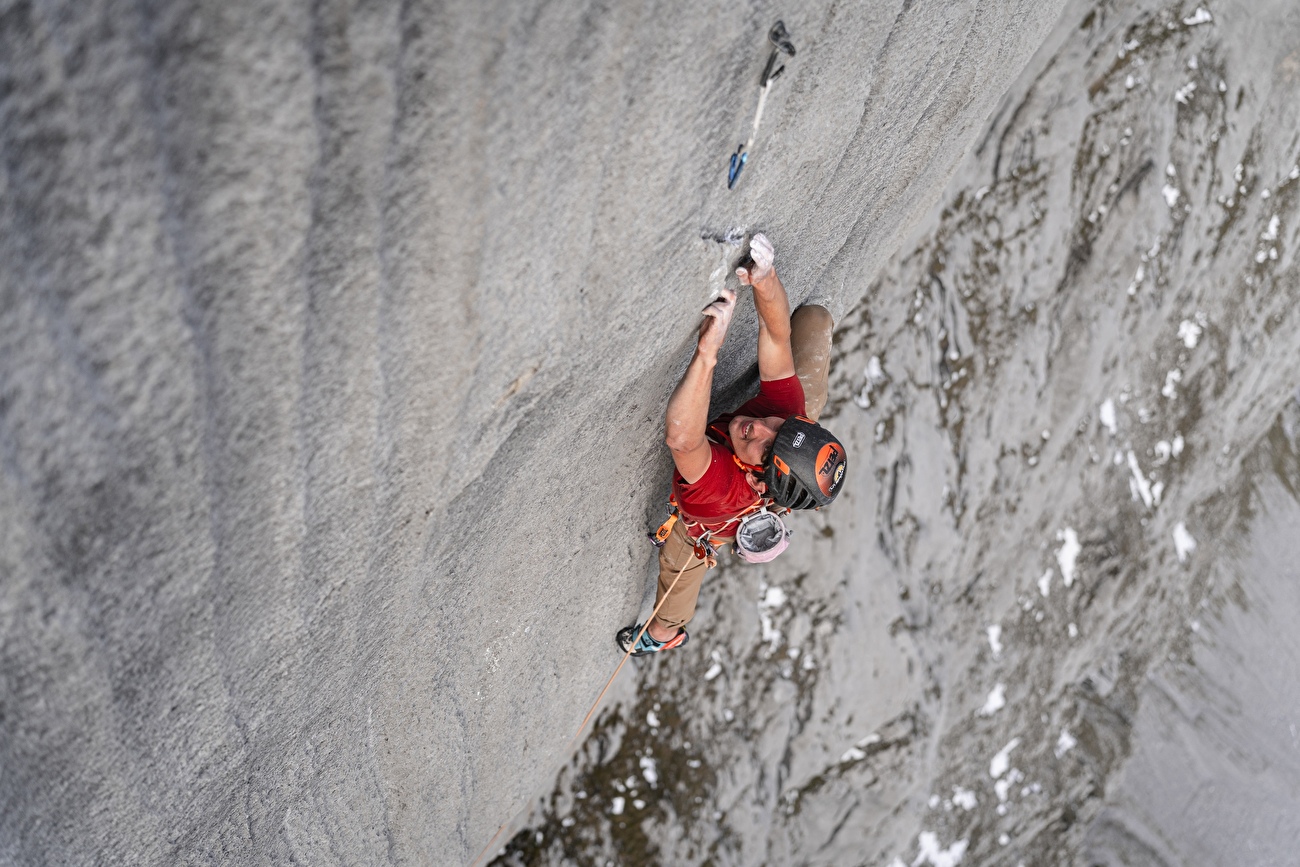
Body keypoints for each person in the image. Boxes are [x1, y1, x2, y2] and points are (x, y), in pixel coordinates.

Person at [617, 233, 848, 656]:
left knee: (681, 565)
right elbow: (776, 338)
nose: (756, 427)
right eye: (777, 427)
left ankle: (666, 635)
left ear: (761, 480)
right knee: (813, 321)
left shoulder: (722, 495)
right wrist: (766, 279)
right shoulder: (786, 415)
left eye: (765, 447)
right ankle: (801, 429)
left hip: (709, 518)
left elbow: (683, 439)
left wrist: (708, 352)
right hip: (786, 457)